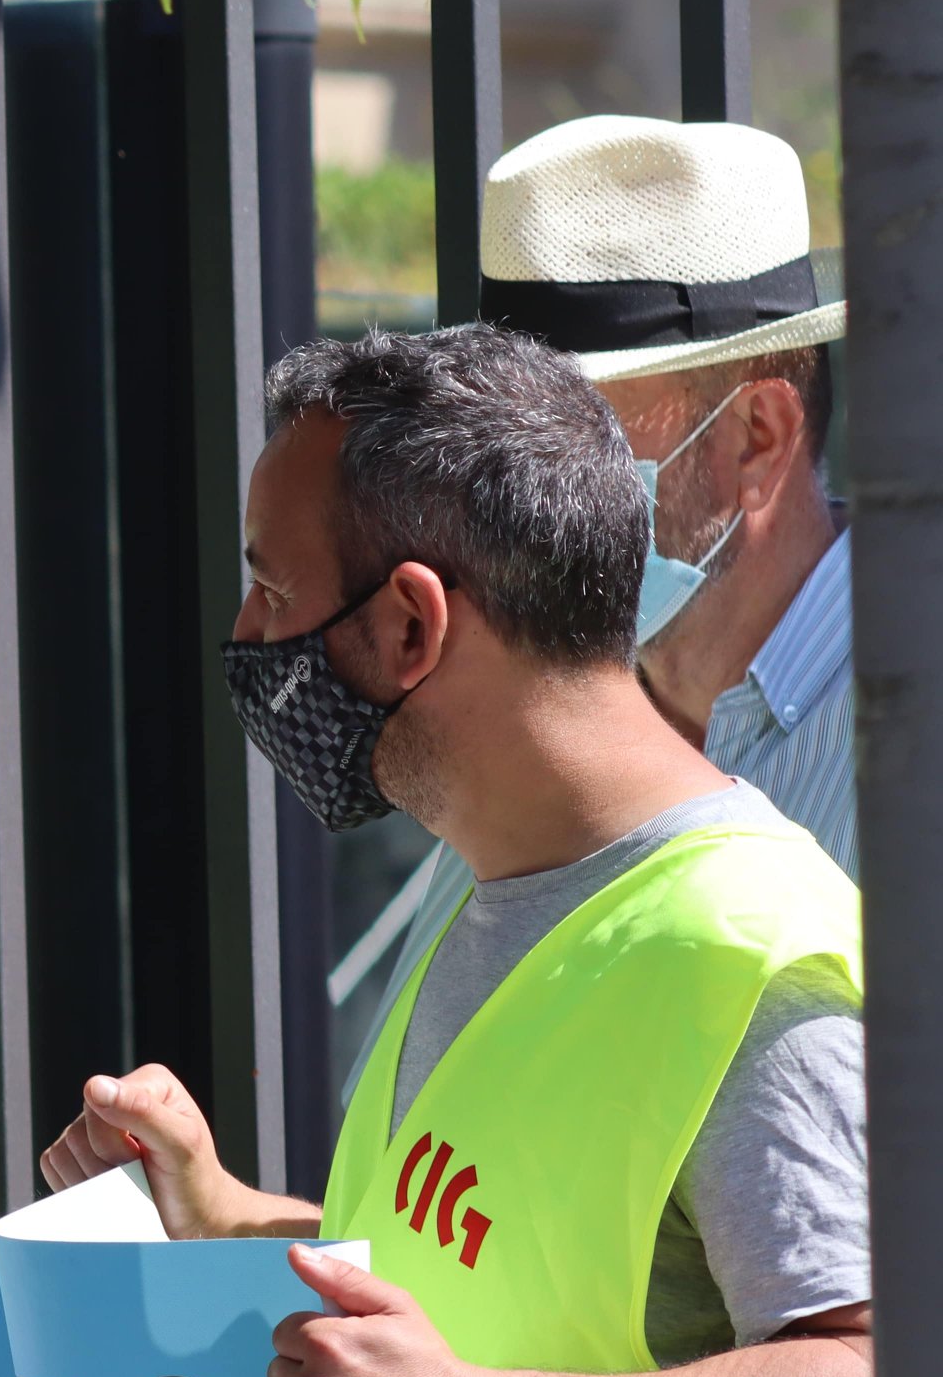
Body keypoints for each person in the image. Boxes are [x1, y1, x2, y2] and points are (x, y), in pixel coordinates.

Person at [42, 325, 869, 1377]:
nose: (248, 636)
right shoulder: (496, 881)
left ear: (412, 624)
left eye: (273, 588)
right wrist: (224, 1215)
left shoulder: (749, 952)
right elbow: (485, 1273)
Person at [342, 114, 852, 1086]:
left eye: (578, 444)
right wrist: (216, 1181)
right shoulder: (545, 718)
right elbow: (432, 1156)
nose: (519, 504)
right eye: (500, 457)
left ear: (757, 437)